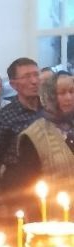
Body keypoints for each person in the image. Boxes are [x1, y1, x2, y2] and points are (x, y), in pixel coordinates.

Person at [0, 57, 41, 208]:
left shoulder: (50, 111)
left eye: (36, 74)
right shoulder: (4, 117)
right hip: (18, 188)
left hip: (50, 183)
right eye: (27, 76)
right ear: (13, 84)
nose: (34, 81)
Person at [16, 70, 74, 201]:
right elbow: (28, 187)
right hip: (54, 209)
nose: (69, 98)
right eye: (62, 93)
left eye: (72, 91)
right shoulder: (34, 135)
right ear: (50, 97)